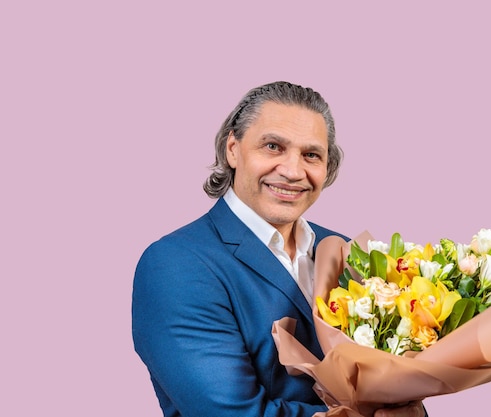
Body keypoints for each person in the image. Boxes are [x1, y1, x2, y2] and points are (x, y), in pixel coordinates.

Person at [132, 81, 427, 417]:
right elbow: (231, 412)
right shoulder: (176, 264)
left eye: (311, 155)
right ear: (232, 149)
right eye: (273, 146)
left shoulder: (343, 250)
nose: (292, 171)